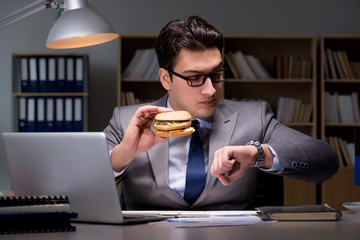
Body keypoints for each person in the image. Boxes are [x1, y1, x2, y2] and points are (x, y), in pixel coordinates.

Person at [104, 15, 338, 210]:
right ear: (166, 78)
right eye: (195, 78)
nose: (210, 90)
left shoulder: (254, 116)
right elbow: (77, 187)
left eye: (216, 75)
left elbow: (325, 160)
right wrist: (124, 153)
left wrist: (258, 154)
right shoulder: (127, 121)